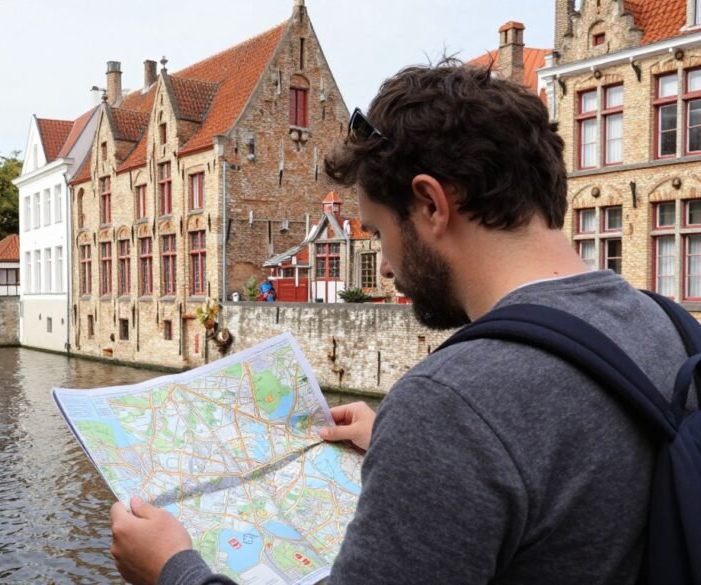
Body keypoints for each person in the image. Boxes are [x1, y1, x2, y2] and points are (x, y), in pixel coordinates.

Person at [109, 59, 687, 585]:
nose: (384, 267)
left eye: (381, 233)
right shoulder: (665, 324)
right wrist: (399, 441)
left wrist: (174, 571)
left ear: (432, 205)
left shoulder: (450, 404)